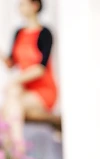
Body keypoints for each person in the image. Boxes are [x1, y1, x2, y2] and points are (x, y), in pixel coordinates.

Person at [2, 0, 58, 146]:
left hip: (43, 91)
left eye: (23, 4)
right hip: (23, 90)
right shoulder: (19, 33)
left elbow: (41, 68)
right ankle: (14, 151)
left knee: (10, 106)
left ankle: (14, 151)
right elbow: (11, 64)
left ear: (35, 6)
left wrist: (15, 80)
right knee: (12, 102)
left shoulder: (45, 33)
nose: (20, 7)